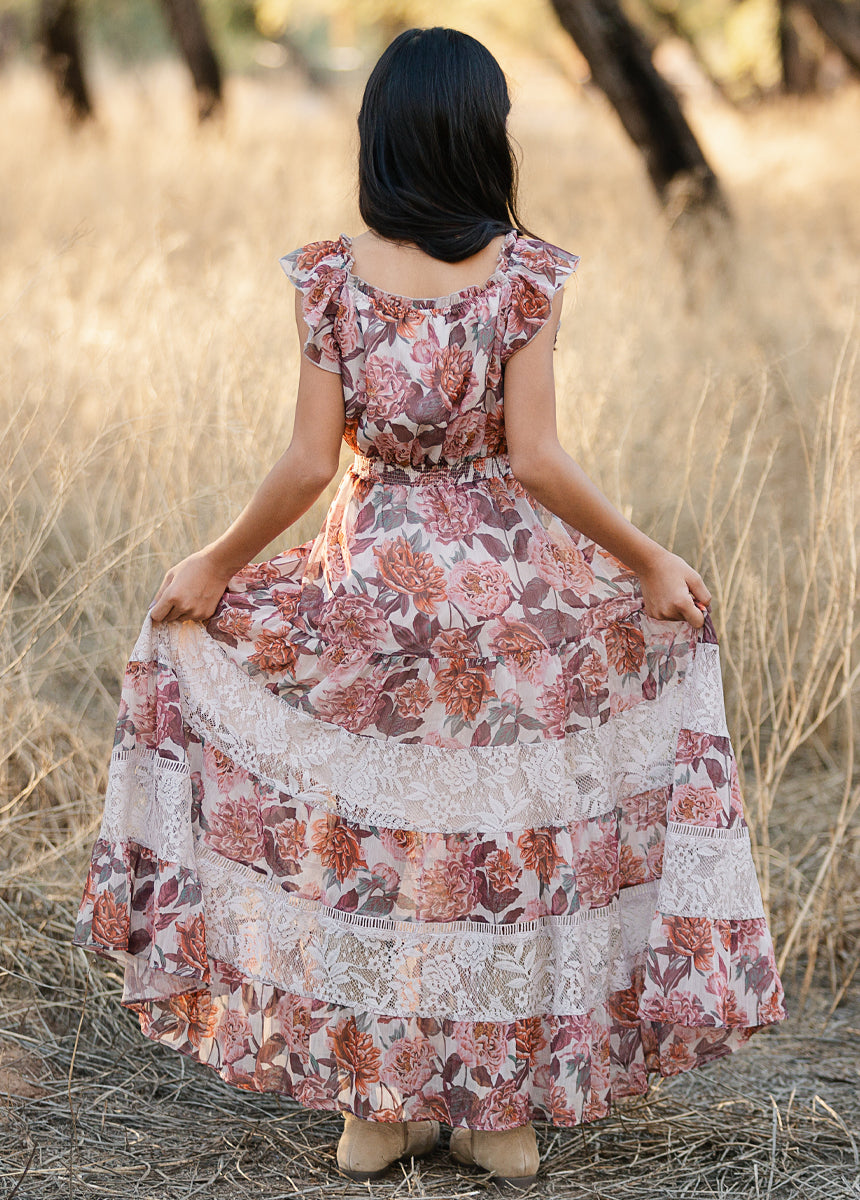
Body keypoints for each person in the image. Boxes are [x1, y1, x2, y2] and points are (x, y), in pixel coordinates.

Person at [71, 25, 787, 1189]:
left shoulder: (329, 275)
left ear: (380, 140)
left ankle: (378, 1107)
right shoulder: (525, 275)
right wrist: (648, 559)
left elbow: (309, 467)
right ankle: (499, 1115)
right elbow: (541, 463)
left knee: (377, 845)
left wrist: (214, 562)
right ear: (481, 140)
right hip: (509, 603)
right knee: (500, 847)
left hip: (368, 606)